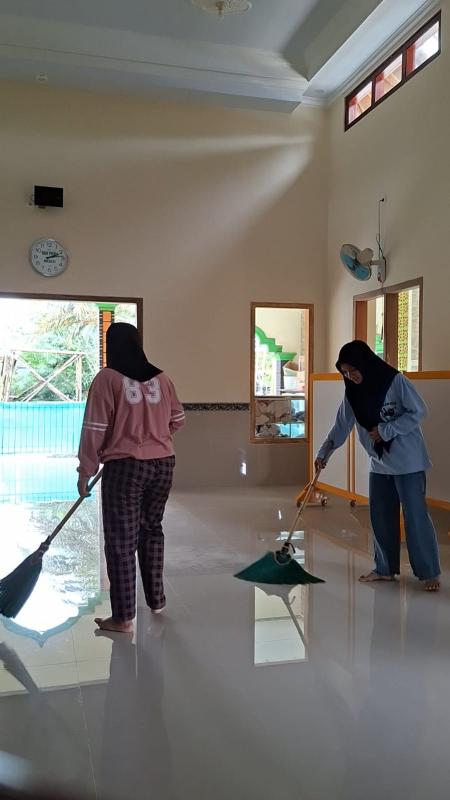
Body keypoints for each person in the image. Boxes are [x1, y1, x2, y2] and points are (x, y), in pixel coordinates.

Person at [77, 322, 185, 632]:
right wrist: (155, 435)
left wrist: (86, 470)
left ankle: (123, 618)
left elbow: (95, 428)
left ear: (111, 346)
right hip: (164, 464)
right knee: (152, 530)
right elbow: (178, 419)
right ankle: (157, 601)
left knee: (121, 541)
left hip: (125, 467)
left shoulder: (107, 378)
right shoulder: (162, 379)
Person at [315, 340, 441, 592]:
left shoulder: (395, 381)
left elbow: (418, 411)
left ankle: (429, 572)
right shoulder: (352, 394)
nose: (350, 376)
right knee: (381, 517)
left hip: (408, 462)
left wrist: (386, 430)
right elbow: (341, 425)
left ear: (365, 364)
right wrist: (324, 453)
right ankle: (384, 569)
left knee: (415, 516)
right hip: (380, 464)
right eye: (345, 373)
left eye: (353, 370)